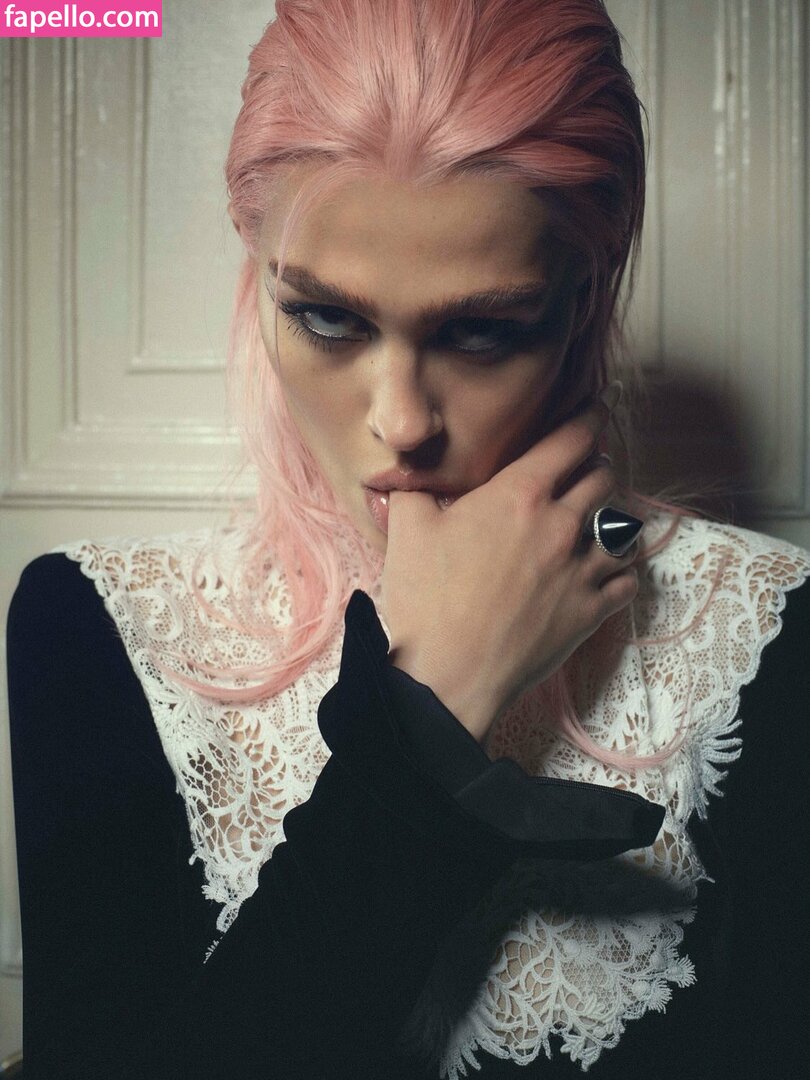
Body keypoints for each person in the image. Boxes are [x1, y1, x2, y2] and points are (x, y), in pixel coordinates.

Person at [7, 1, 809, 1077]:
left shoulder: (772, 627)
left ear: (585, 298)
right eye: (328, 319)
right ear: (257, 271)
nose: (401, 422)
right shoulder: (96, 624)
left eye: (482, 330)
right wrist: (435, 703)